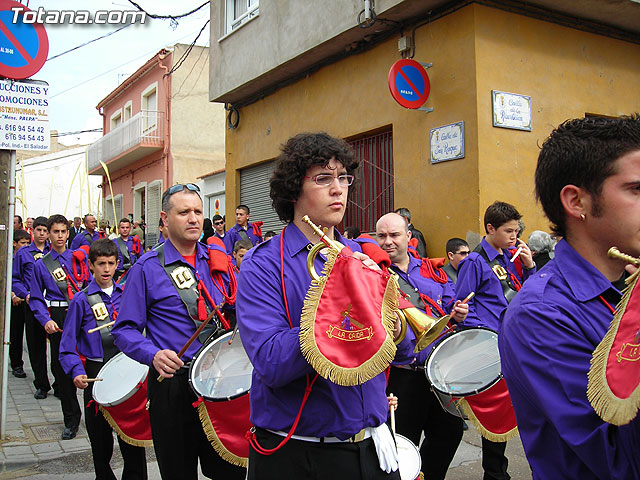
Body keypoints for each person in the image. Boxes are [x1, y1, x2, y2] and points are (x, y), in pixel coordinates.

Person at [237, 132, 415, 480]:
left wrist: (396, 327)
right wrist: (344, 318)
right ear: (294, 189)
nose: (339, 189)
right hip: (300, 453)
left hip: (374, 443)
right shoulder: (262, 264)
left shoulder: (363, 258)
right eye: (323, 178)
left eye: (343, 178)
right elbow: (271, 362)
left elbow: (405, 349)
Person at [499, 115, 640, 479]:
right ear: (576, 201)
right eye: (636, 189)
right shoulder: (541, 315)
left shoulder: (628, 285)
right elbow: (619, 462)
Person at [111, 183, 244, 480]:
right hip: (172, 384)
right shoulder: (146, 268)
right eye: (184, 212)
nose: (194, 218)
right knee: (177, 472)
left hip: (221, 381)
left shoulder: (218, 261)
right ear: (164, 219)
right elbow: (125, 330)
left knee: (230, 471)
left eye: (198, 211)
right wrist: (153, 354)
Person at [375, 213, 468, 480]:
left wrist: (457, 312)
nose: (388, 242)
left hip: (440, 372)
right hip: (400, 374)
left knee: (449, 433)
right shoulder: (370, 273)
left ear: (409, 237)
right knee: (401, 443)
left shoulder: (431, 270)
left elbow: (450, 303)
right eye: (382, 236)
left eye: (394, 235)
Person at [454, 201, 535, 480]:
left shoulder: (509, 257)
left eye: (516, 231)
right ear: (490, 228)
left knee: (519, 408)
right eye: (509, 231)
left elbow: (526, 295)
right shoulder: (475, 262)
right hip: (492, 344)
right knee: (496, 413)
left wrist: (529, 267)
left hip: (515, 342)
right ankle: (496, 474)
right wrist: (485, 330)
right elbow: (462, 303)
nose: (514, 236)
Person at [59, 239, 147, 480]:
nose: (106, 269)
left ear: (118, 263)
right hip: (97, 374)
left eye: (110, 263)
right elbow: (67, 347)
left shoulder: (128, 294)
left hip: (128, 373)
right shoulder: (80, 300)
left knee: (133, 441)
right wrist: (76, 371)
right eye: (100, 264)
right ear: (91, 266)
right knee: (100, 443)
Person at [29, 214, 91, 439]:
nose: (60, 236)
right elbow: (36, 297)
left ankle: (97, 414)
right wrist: (45, 319)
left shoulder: (79, 259)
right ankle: (71, 419)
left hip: (81, 313)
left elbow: (90, 286)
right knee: (62, 367)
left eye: (63, 232)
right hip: (58, 316)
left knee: (90, 362)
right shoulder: (41, 265)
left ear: (68, 233)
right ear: (49, 234)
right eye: (55, 232)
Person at [12, 217, 51, 397]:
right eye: (39, 230)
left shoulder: (55, 253)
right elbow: (15, 279)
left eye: (45, 230)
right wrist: (25, 294)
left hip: (54, 305)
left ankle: (60, 384)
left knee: (58, 347)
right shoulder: (23, 253)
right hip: (33, 303)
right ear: (33, 231)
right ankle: (42, 384)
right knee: (36, 346)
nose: (42, 234)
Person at [9, 229, 31, 379]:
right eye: (23, 243)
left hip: (28, 300)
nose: (26, 246)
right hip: (15, 301)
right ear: (14, 243)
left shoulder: (29, 256)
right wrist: (12, 295)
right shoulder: (9, 257)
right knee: (15, 333)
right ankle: (16, 364)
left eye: (27, 243)